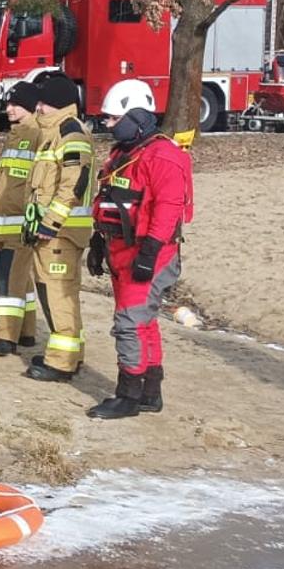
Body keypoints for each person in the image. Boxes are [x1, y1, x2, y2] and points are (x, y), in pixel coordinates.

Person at [84, 79, 193, 419]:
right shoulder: (123, 155)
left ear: (136, 117)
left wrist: (148, 257)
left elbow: (168, 209)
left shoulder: (164, 157)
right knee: (143, 322)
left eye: (114, 119)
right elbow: (109, 199)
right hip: (122, 250)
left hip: (150, 253)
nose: (107, 124)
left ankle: (128, 395)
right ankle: (149, 392)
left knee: (130, 322)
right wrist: (98, 242)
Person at [22, 72, 95, 382]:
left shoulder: (70, 134)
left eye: (43, 103)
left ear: (58, 105)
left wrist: (50, 223)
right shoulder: (55, 133)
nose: (38, 108)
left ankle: (61, 363)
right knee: (56, 293)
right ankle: (67, 354)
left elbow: (71, 186)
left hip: (61, 234)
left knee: (59, 295)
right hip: (55, 232)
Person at [0, 81, 41, 357]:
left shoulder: (37, 134)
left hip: (20, 221)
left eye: (14, 104)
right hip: (4, 219)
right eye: (7, 103)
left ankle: (5, 336)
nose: (8, 109)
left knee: (8, 280)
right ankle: (26, 330)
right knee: (19, 280)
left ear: (30, 106)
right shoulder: (15, 134)